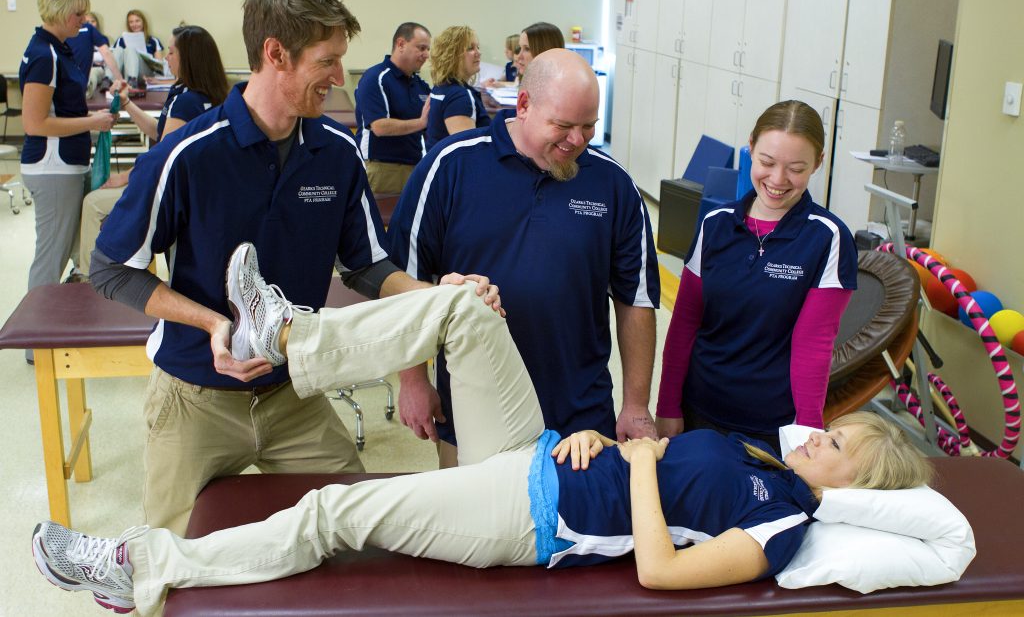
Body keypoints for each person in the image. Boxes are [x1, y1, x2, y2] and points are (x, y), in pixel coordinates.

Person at [30, 244, 933, 616]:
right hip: (545, 451)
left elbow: (660, 567)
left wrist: (645, 460)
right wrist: (615, 447)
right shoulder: (755, 455)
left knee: (335, 511)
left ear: (855, 485)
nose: (821, 437)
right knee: (463, 310)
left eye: (839, 447)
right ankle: (289, 338)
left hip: (527, 514)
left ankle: (139, 568)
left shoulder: (781, 524)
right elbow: (647, 467)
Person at [87, 0, 501, 535]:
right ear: (274, 54)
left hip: (291, 395)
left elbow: (366, 265)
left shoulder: (336, 152)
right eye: (327, 63)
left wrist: (440, 295)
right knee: (167, 566)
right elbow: (111, 269)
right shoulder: (187, 156)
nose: (339, 80)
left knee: (356, 533)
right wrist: (211, 322)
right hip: (194, 397)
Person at [389, 49, 660, 468]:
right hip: (472, 405)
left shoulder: (613, 184)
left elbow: (636, 300)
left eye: (589, 126)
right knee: (470, 526)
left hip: (579, 414)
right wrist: (413, 380)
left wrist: (637, 404)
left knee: (578, 531)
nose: (577, 140)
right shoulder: (450, 166)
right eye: (564, 126)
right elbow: (405, 281)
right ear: (524, 105)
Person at [656, 100, 858, 453]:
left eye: (796, 168)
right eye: (766, 162)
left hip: (772, 427)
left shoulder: (827, 238)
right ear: (750, 147)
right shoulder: (715, 224)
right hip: (698, 411)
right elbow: (685, 324)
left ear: (818, 163)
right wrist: (667, 406)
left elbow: (814, 345)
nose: (778, 180)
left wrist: (807, 432)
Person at [78, 24, 230, 276]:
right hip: (196, 190)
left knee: (93, 204)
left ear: (188, 58)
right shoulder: (208, 95)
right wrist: (126, 103)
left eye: (171, 52)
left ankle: (87, 279)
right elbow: (159, 132)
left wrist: (124, 177)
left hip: (170, 192)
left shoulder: (185, 102)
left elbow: (162, 158)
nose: (166, 58)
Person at [18, 0, 117, 361]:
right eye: (78, 13)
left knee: (73, 251)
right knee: (52, 254)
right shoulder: (44, 55)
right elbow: (34, 123)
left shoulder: (57, 50)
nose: (84, 20)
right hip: (51, 166)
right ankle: (34, 344)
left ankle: (56, 328)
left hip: (66, 164)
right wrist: (92, 124)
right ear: (60, 11)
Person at [354, 22, 432, 194]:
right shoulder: (375, 78)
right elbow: (379, 127)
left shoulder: (420, 85)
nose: (426, 55)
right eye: (421, 48)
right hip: (383, 169)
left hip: (416, 167)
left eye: (428, 49)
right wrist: (421, 123)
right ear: (401, 44)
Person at [423, 25, 491, 151]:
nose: (478, 53)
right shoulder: (459, 96)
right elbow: (467, 153)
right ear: (452, 56)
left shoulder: (441, 87)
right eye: (470, 48)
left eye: (478, 47)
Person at [65, 11, 123, 98]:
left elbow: (107, 54)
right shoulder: (84, 31)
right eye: (88, 21)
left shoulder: (99, 36)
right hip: (80, 75)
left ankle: (89, 87)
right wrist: (121, 80)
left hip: (97, 69)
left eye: (93, 21)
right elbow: (105, 53)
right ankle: (86, 88)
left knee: (93, 72)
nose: (90, 23)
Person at [109, 9, 164, 85]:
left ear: (143, 22)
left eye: (137, 21)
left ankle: (132, 81)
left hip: (144, 73)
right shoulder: (121, 40)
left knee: (131, 49)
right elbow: (114, 59)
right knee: (118, 50)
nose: (134, 24)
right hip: (124, 74)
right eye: (131, 22)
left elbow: (159, 66)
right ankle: (108, 80)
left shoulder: (153, 41)